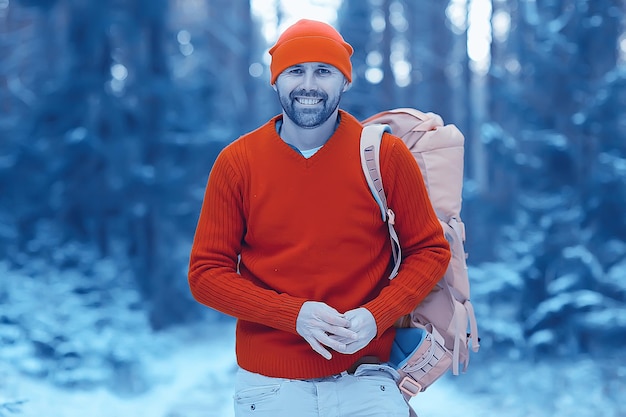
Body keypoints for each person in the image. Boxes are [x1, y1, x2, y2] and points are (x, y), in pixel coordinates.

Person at [187, 18, 451, 417]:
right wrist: (293, 315)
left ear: (344, 81)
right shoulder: (237, 163)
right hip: (270, 386)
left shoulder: (385, 156)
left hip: (366, 379)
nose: (308, 84)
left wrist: (375, 316)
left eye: (323, 71)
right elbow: (206, 274)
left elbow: (430, 251)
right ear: (275, 81)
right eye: (296, 70)